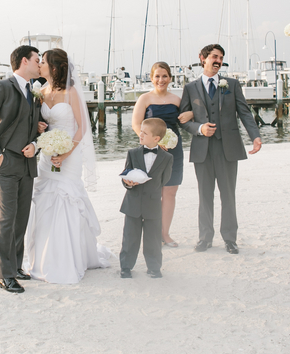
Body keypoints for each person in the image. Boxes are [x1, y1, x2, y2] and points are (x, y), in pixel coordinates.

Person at [24, 48, 110, 284]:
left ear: (54, 67)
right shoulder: (41, 92)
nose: (39, 65)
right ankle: (42, 257)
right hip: (47, 154)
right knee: (43, 201)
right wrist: (41, 129)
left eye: (42, 62)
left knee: (66, 199)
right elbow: (42, 123)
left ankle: (67, 258)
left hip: (70, 155)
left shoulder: (71, 92)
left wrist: (67, 152)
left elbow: (83, 127)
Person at [180, 44, 261, 254]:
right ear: (203, 58)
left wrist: (255, 136)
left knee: (228, 195)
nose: (218, 61)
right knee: (204, 196)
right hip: (202, 149)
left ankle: (230, 239)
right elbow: (183, 120)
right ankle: (205, 238)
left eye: (221, 58)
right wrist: (199, 128)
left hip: (228, 148)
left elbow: (244, 111)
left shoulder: (231, 85)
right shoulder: (190, 88)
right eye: (214, 56)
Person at [0, 45, 42, 294]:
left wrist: (36, 140)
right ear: (24, 61)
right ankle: (4, 275)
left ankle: (15, 266)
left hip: (27, 162)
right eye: (37, 60)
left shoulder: (32, 92)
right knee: (7, 218)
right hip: (5, 163)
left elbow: (30, 125)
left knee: (21, 218)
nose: (40, 64)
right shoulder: (2, 87)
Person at [131, 62, 193, 247]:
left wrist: (189, 113)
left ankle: (164, 234)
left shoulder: (177, 100)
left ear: (170, 78)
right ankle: (151, 233)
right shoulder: (145, 99)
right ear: (151, 78)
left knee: (170, 192)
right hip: (151, 149)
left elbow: (185, 120)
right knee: (152, 192)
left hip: (174, 150)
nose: (161, 80)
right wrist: (151, 141)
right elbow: (136, 125)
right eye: (157, 76)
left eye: (164, 76)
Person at [119, 118, 174, 279]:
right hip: (133, 202)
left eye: (144, 132)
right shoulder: (133, 153)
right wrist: (128, 182)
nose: (140, 134)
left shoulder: (167, 158)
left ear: (156, 138)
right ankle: (126, 267)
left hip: (153, 203)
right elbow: (125, 174)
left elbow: (165, 180)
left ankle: (154, 267)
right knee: (130, 238)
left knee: (153, 239)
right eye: (141, 131)